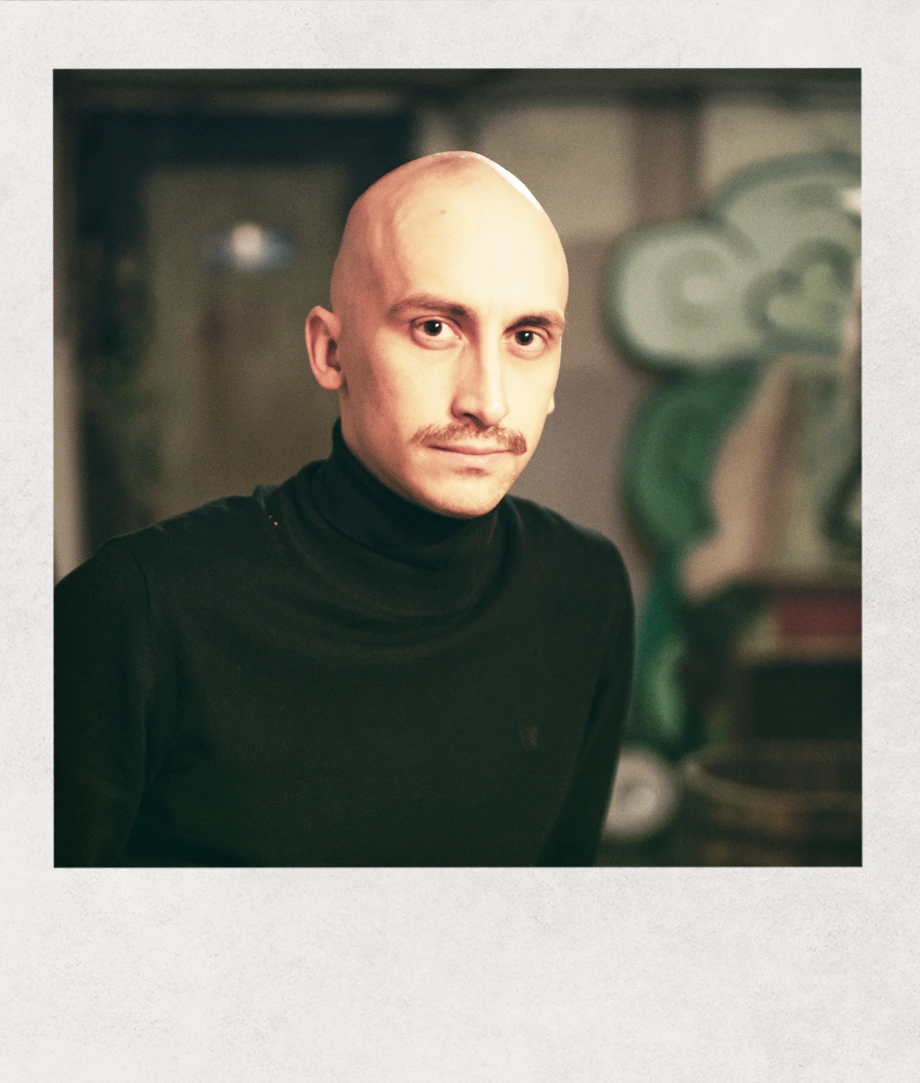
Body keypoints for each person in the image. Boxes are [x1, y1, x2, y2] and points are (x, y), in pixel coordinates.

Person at [54, 151, 634, 867]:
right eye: (434, 328)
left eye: (525, 337)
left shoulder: (582, 588)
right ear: (331, 351)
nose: (487, 400)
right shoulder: (135, 612)